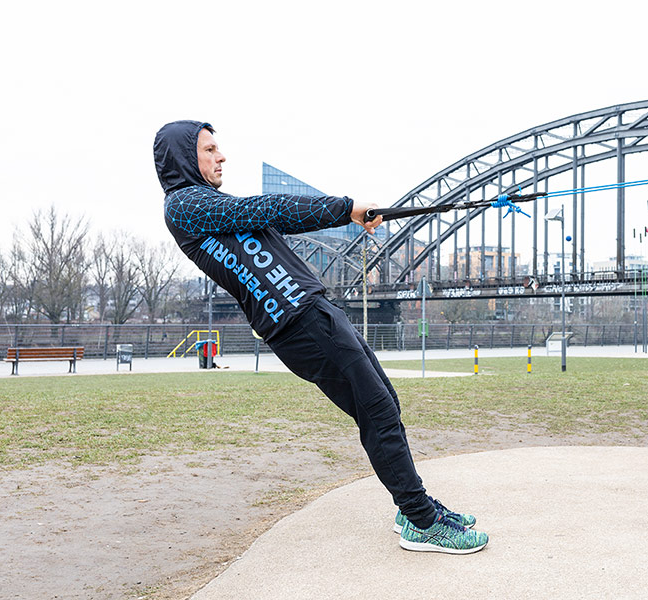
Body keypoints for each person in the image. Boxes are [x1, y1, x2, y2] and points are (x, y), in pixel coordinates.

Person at [153, 120, 488, 554]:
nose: (221, 156)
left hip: (315, 311)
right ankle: (422, 521)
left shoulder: (214, 205)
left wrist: (346, 213)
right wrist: (346, 208)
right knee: (377, 409)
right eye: (209, 149)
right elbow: (270, 208)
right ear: (184, 158)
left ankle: (412, 509)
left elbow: (273, 216)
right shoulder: (184, 205)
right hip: (298, 322)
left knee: (383, 402)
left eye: (219, 148)